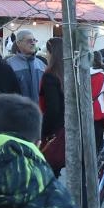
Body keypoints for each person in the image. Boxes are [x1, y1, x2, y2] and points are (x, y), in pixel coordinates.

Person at [38, 36, 66, 173]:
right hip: (68, 127)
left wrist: (44, 131)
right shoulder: (70, 73)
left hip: (55, 130)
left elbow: (52, 108)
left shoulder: (50, 76)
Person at [6, 29, 45, 100]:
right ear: (18, 43)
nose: (33, 43)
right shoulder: (9, 64)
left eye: (34, 40)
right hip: (19, 109)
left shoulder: (41, 64)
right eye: (29, 41)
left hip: (39, 110)